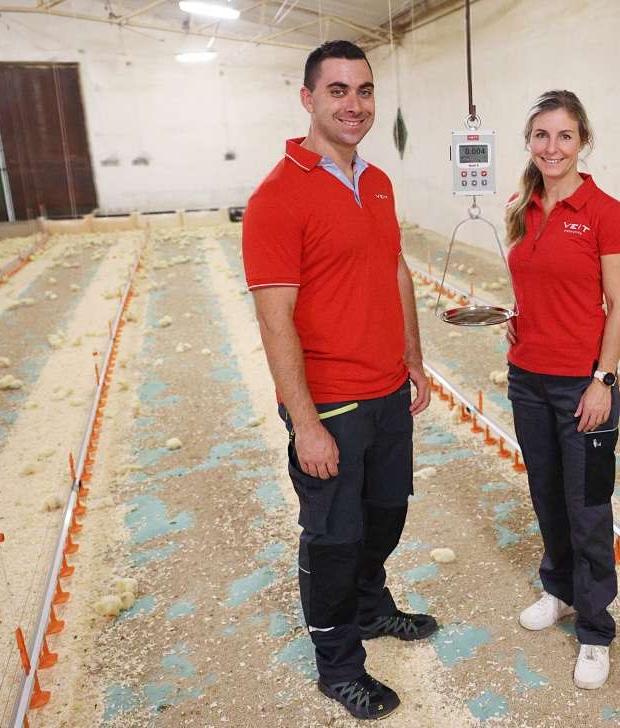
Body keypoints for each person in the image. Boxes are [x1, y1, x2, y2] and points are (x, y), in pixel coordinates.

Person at [241, 40, 435, 721]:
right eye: (338, 91)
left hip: (387, 390)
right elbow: (274, 321)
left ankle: (373, 606)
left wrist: (413, 356)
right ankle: (337, 661)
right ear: (308, 98)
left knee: (388, 513)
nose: (353, 105)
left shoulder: (377, 181)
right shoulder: (277, 196)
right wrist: (306, 422)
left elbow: (395, 270)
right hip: (331, 402)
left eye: (364, 91)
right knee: (334, 537)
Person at [504, 90, 620, 690]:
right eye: (541, 136)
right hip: (528, 378)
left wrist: (602, 380)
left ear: (582, 141)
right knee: (546, 494)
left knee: (587, 508)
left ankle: (595, 628)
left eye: (563, 136)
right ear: (529, 142)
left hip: (583, 386)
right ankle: (558, 591)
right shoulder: (522, 206)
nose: (551, 148)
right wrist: (518, 318)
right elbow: (539, 284)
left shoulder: (606, 211)